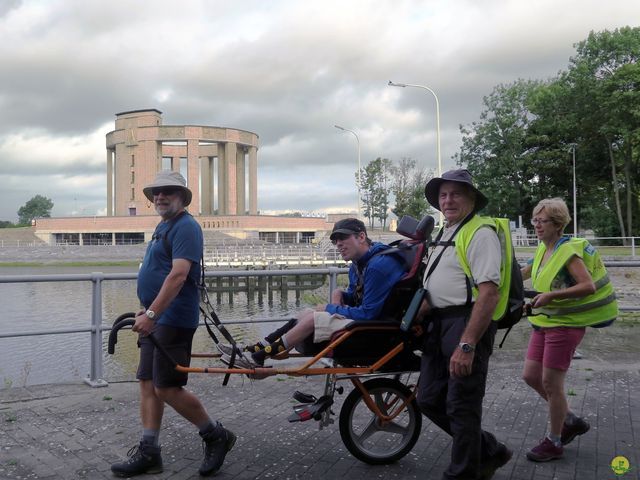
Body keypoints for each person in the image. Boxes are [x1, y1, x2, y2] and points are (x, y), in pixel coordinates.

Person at [111, 170, 235, 477]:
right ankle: (149, 451)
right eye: (156, 192)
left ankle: (215, 434)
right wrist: (147, 312)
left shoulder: (186, 227)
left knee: (167, 387)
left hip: (173, 319)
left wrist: (152, 315)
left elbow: (178, 275)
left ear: (182, 197)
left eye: (168, 191)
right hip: (154, 318)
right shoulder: (163, 226)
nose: (160, 196)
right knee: (147, 384)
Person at [415, 169, 512, 480]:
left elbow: (489, 293)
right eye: (443, 195)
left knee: (462, 405)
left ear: (472, 199)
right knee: (428, 398)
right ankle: (489, 450)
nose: (448, 200)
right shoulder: (448, 232)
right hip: (439, 324)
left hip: (466, 324)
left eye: (456, 193)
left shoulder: (480, 232)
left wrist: (467, 345)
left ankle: (463, 473)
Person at [218, 218, 407, 372]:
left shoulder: (377, 266)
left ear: (361, 236)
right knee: (305, 313)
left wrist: (330, 308)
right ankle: (254, 349)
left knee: (311, 319)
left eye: (343, 238)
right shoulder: (359, 264)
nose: (338, 244)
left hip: (378, 330)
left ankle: (257, 358)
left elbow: (369, 314)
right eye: (335, 240)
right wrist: (339, 293)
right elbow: (356, 296)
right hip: (369, 322)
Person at [521, 198, 618, 462]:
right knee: (531, 376)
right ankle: (570, 419)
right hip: (544, 323)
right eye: (535, 221)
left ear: (558, 224)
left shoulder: (568, 252)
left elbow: (588, 286)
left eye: (542, 221)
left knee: (552, 384)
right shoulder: (544, 248)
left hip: (565, 327)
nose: (537, 226)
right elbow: (524, 273)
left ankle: (554, 442)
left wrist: (552, 296)